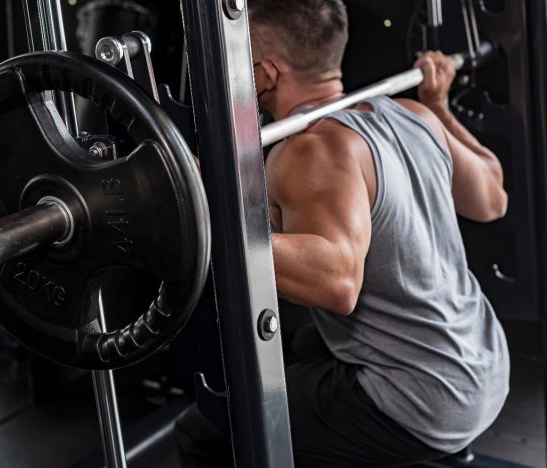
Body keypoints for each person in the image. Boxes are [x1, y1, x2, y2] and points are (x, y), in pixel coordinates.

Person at [175, 0, 510, 466]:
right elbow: (493, 195)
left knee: (203, 429)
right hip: (485, 365)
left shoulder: (307, 150)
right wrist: (439, 105)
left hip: (425, 400)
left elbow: (336, 282)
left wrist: (202, 207)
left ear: (268, 74)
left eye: (244, 64)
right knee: (303, 346)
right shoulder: (416, 116)